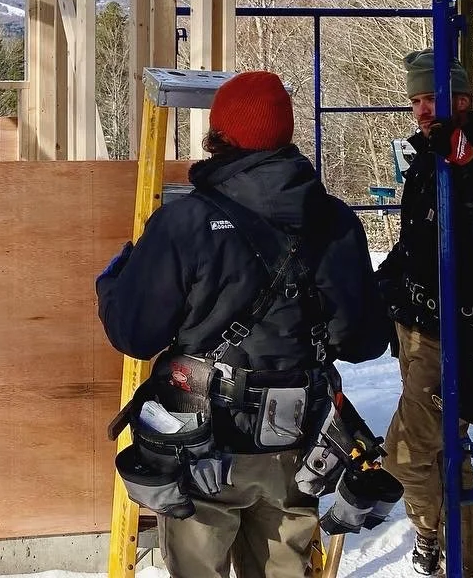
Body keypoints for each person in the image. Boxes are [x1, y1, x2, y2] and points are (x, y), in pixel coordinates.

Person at [96, 70, 390, 578]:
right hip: (297, 446)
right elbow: (363, 341)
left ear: (218, 135)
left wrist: (112, 284)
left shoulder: (186, 223)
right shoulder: (337, 221)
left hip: (202, 441)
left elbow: (135, 335)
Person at [376, 50, 473, 578]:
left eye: (432, 98)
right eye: (415, 100)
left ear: (461, 100)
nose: (422, 110)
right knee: (447, 453)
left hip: (453, 332)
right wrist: (383, 290)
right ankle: (462, 559)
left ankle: (432, 533)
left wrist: (467, 169)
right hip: (417, 324)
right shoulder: (429, 158)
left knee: (403, 456)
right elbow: (414, 242)